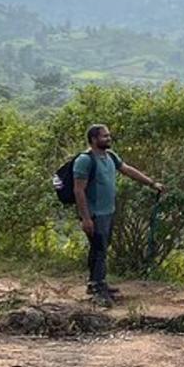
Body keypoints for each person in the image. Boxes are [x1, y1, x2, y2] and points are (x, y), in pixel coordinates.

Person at [72, 124, 164, 306]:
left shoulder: (110, 156)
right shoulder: (85, 160)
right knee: (99, 249)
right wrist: (86, 218)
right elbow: (78, 190)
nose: (108, 139)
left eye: (108, 136)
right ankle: (98, 289)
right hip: (95, 214)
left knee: (102, 248)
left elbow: (128, 170)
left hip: (108, 211)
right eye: (104, 136)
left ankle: (97, 283)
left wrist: (151, 183)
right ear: (93, 139)